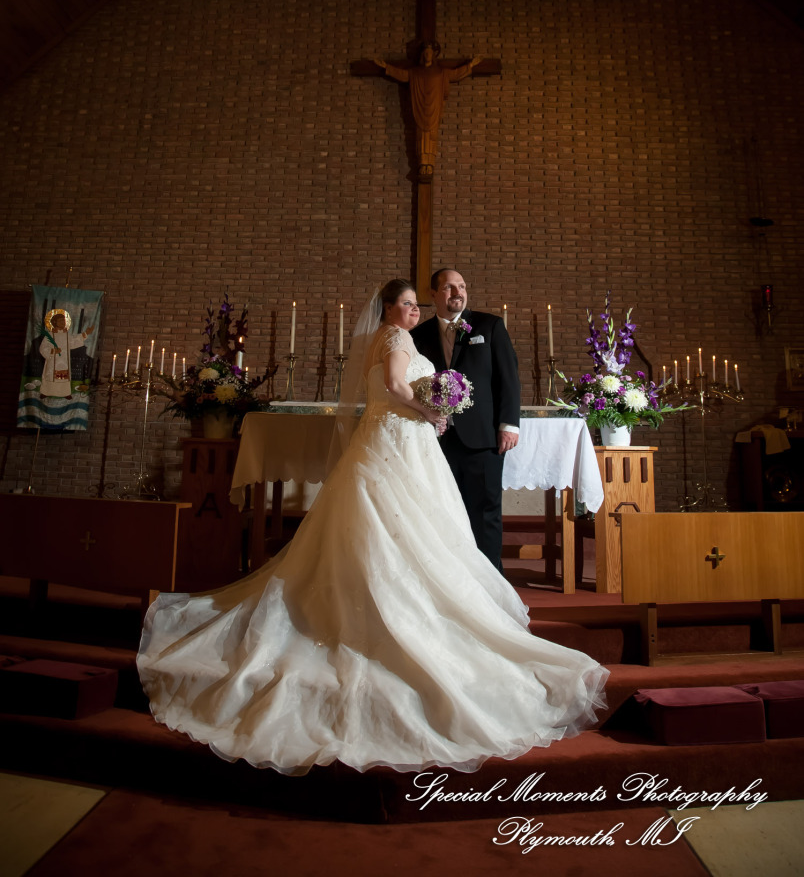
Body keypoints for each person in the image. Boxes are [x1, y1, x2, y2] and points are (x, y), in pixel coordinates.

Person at [137, 279, 607, 775]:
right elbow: (396, 387)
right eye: (405, 304)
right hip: (399, 437)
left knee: (411, 524)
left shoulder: (414, 335)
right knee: (394, 525)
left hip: (402, 441)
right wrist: (431, 409)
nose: (412, 311)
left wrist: (433, 409)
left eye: (413, 305)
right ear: (387, 308)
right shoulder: (400, 339)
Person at [412, 269, 519, 572]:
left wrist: (508, 424)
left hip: (482, 437)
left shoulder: (490, 326)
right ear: (433, 295)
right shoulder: (418, 336)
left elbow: (507, 377)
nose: (457, 292)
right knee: (442, 512)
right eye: (448, 287)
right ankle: (452, 581)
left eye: (461, 286)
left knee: (486, 512)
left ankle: (492, 583)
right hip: (435, 440)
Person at [374, 43, 482, 176]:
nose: (427, 55)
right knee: (421, 137)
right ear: (422, 55)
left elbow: (455, 74)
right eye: (425, 53)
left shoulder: (441, 72)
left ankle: (430, 164)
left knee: (431, 136)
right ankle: (421, 163)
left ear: (433, 55)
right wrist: (387, 67)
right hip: (420, 109)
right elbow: (402, 74)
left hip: (434, 109)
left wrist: (470, 66)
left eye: (430, 53)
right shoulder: (415, 72)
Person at [39, 309, 95, 399]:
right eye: (60, 320)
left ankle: (64, 393)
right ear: (54, 322)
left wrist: (86, 333)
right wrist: (52, 351)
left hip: (64, 362)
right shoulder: (49, 335)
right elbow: (42, 348)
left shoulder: (66, 336)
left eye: (64, 321)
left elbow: (74, 341)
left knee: (63, 377)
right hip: (52, 362)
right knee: (50, 376)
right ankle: (46, 392)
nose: (63, 322)